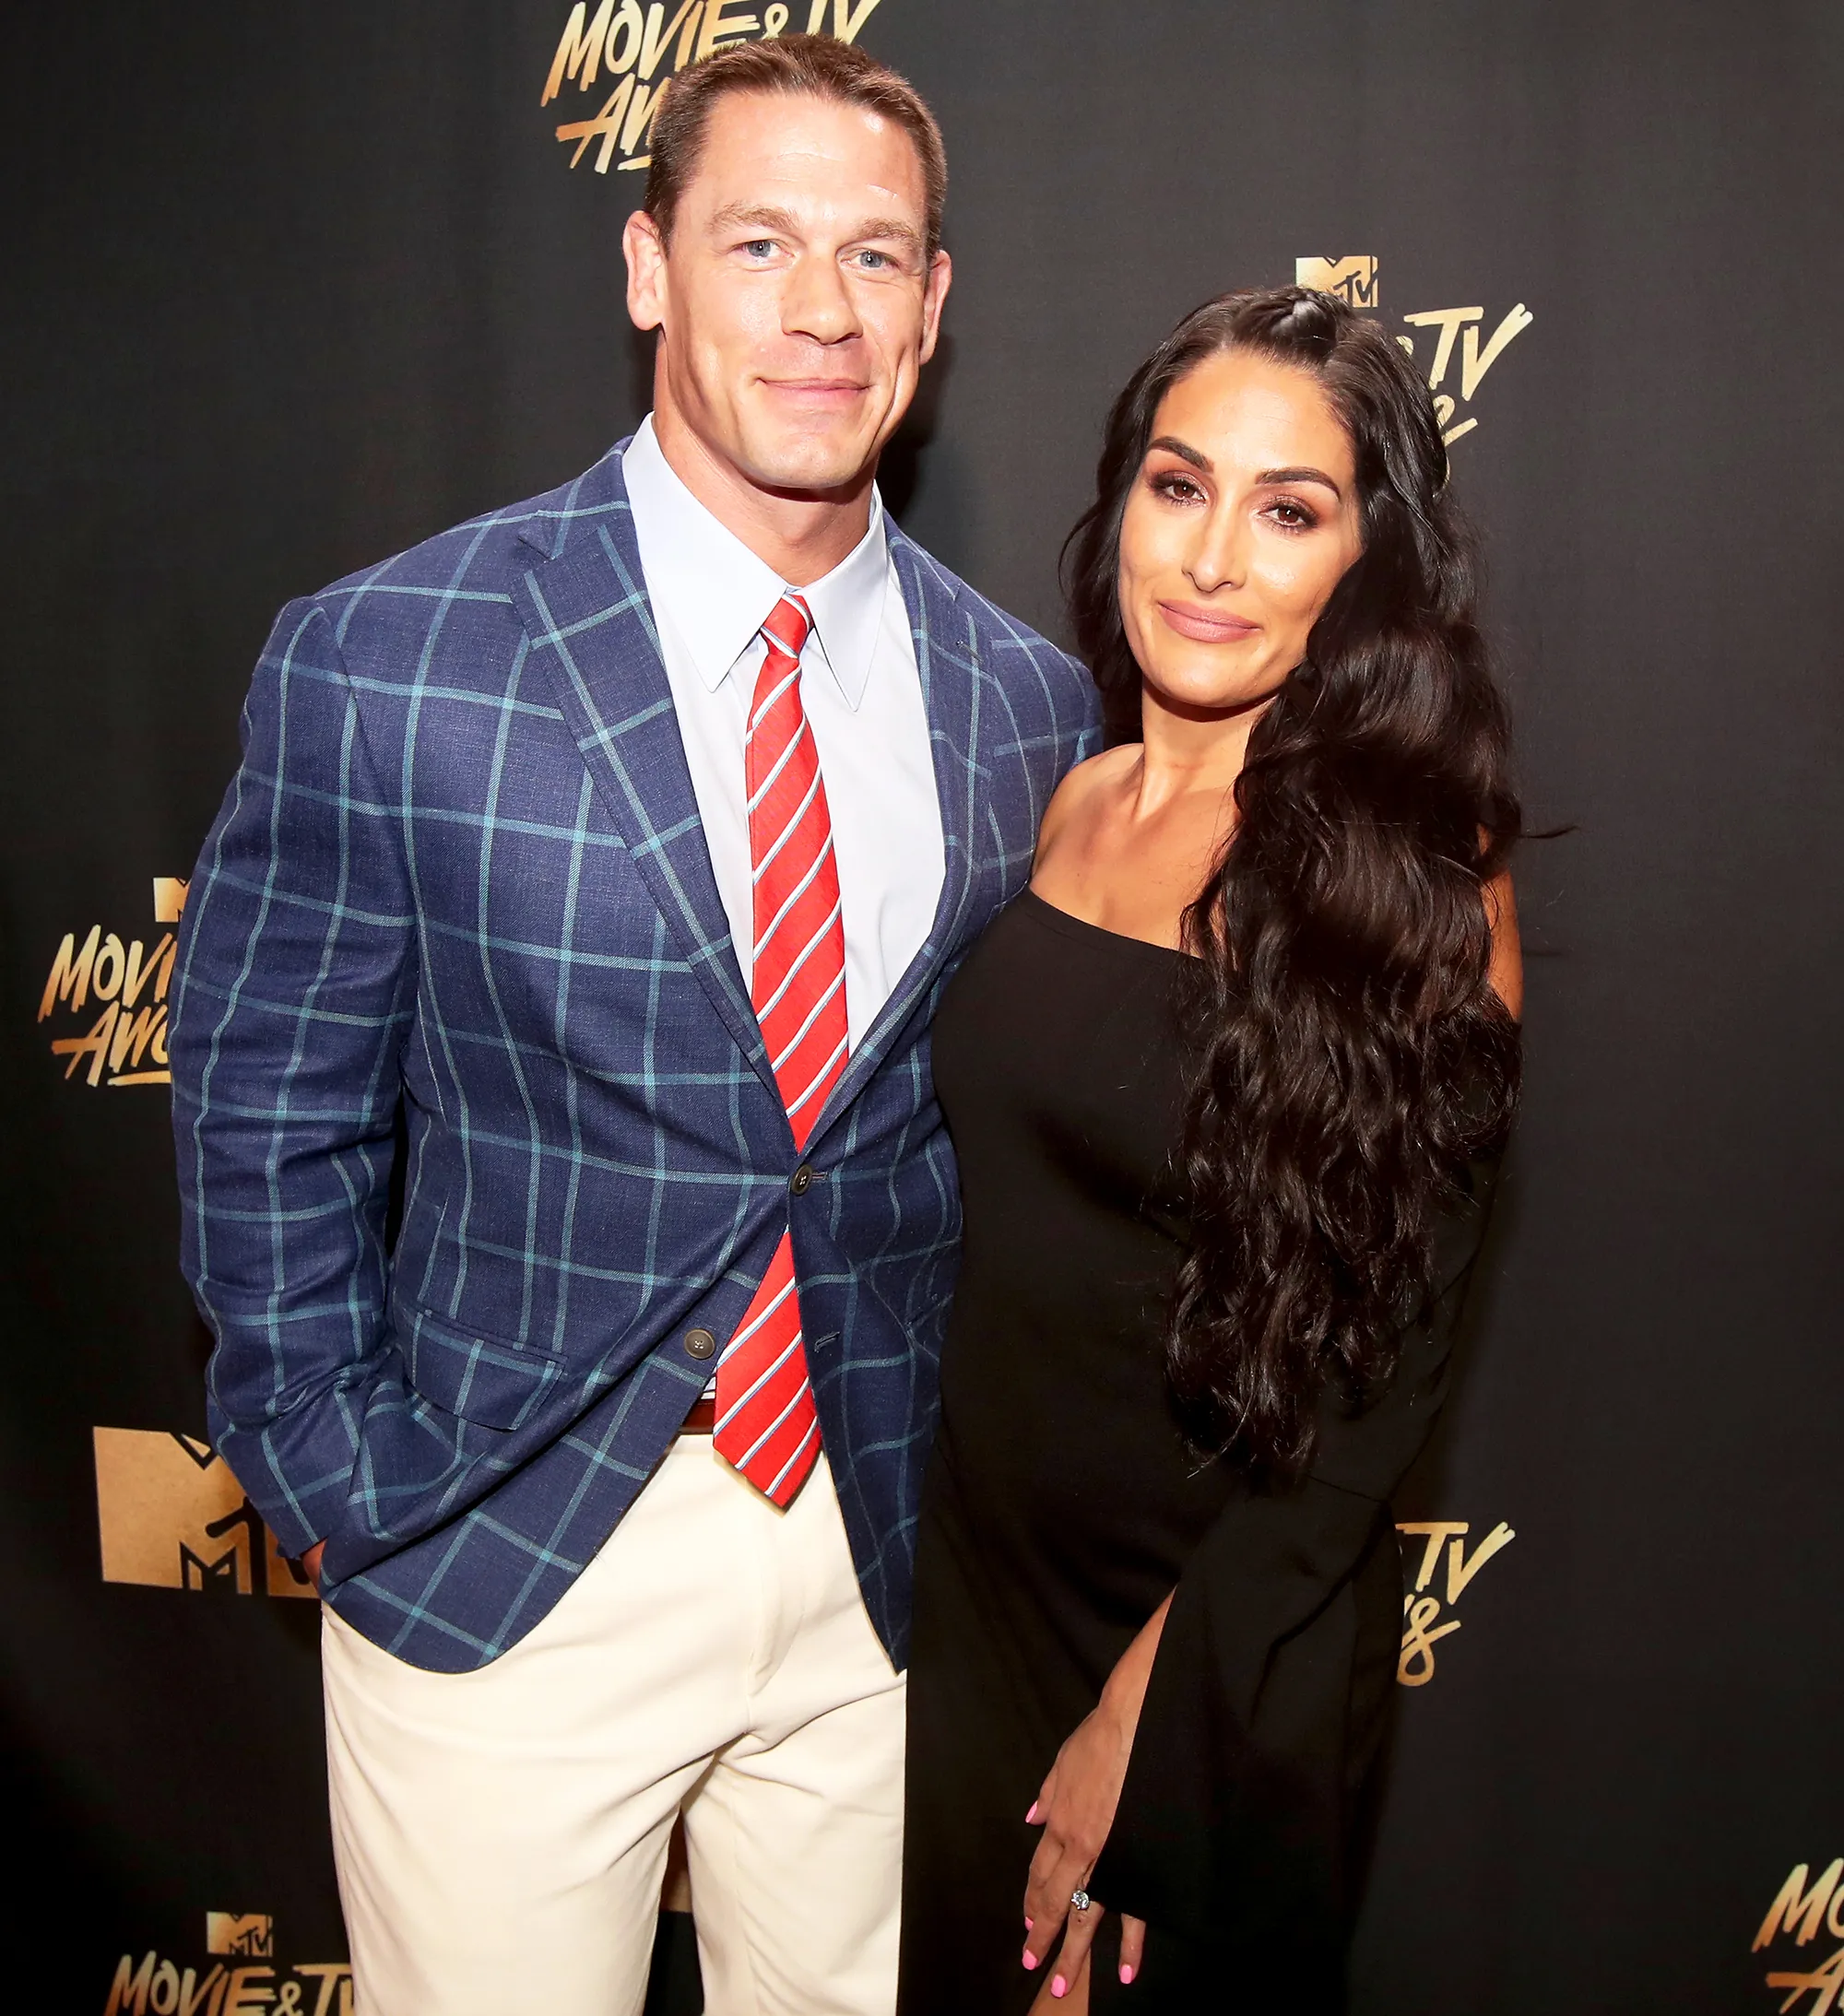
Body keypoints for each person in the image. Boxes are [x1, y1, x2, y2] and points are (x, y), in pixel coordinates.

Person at [170, 35, 1097, 2016]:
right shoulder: (389, 656)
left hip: (884, 1569)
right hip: (503, 1547)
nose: (821, 311)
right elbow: (265, 1109)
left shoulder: (1025, 706)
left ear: (935, 303)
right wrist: (347, 1478)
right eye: (759, 240)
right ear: (647, 265)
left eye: (876, 255)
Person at [897, 286, 1524, 2015]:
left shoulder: (1407, 884)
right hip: (967, 1601)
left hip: (1205, 1636)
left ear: (1363, 565)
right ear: (1123, 504)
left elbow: (1363, 1400)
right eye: (1182, 487)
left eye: (1290, 508)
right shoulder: (1068, 796)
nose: (1216, 558)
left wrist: (1142, 1732)